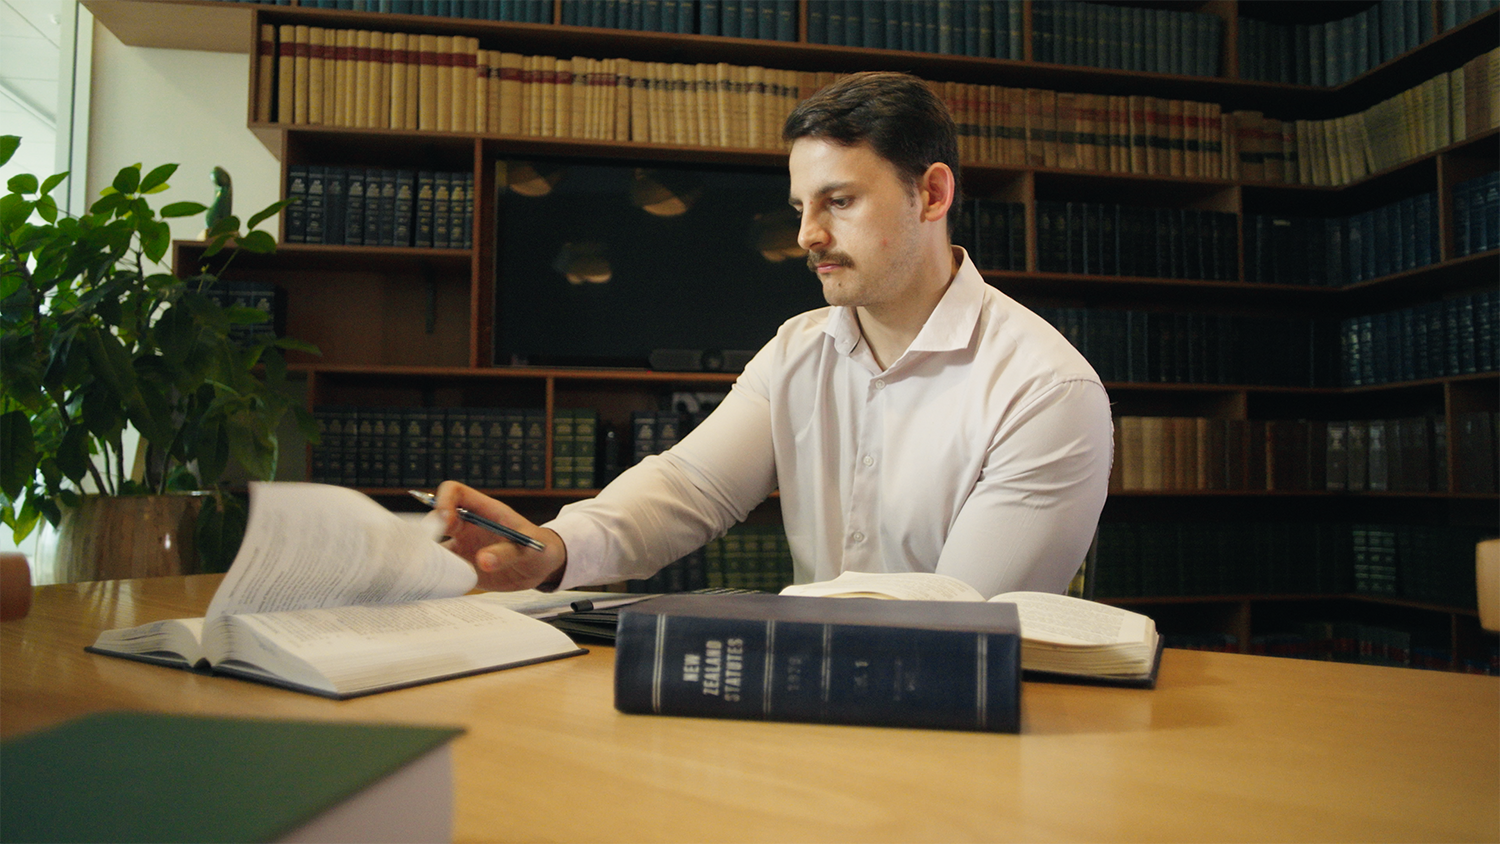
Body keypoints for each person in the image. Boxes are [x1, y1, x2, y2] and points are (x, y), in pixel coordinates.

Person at [438, 71, 1113, 599]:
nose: (806, 236)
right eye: (800, 208)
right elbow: (689, 488)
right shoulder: (797, 348)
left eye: (839, 201)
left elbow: (960, 611)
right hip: (810, 711)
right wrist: (551, 549)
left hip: (968, 748)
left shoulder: (1048, 390)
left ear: (932, 195)